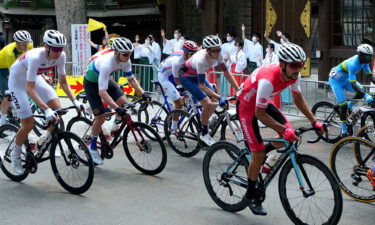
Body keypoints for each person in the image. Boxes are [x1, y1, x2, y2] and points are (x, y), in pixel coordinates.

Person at [237, 43, 325, 215]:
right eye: (294, 65)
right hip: (247, 106)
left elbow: (298, 100)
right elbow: (259, 114)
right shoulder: (268, 81)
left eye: (301, 65)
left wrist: (315, 121)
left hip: (262, 102)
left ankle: (262, 156)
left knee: (288, 136)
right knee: (259, 152)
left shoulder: (293, 75)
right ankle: (251, 196)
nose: (298, 69)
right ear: (283, 64)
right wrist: (283, 130)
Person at [9, 30, 84, 175]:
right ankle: (16, 155)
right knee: (28, 124)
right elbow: (29, 89)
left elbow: (63, 82)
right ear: (46, 46)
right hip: (18, 82)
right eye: (55, 49)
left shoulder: (61, 55)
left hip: (34, 78)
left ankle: (45, 141)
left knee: (58, 111)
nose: (58, 52)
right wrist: (45, 109)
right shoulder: (35, 57)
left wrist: (75, 101)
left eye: (61, 49)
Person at [83, 37, 151, 165]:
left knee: (124, 104)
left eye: (130, 54)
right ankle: (92, 148)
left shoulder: (126, 59)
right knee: (101, 117)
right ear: (116, 52)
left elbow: (131, 79)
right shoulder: (107, 63)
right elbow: (101, 92)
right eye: (125, 54)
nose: (128, 56)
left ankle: (114, 129)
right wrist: (115, 108)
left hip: (104, 79)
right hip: (91, 83)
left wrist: (143, 93)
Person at [180, 35, 239, 146]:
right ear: (207, 50)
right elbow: (201, 85)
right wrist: (219, 97)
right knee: (207, 102)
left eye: (219, 49)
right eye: (215, 50)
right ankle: (204, 132)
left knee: (214, 101)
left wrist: (239, 89)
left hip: (197, 76)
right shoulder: (201, 59)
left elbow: (226, 73)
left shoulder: (218, 55)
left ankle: (204, 120)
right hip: (186, 77)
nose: (218, 52)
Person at [328, 43, 374, 137]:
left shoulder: (365, 63)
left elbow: (371, 77)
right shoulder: (353, 64)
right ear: (360, 54)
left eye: (370, 56)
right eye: (367, 56)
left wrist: (364, 93)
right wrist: (366, 95)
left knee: (361, 90)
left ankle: (349, 108)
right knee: (343, 105)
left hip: (345, 80)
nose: (369, 59)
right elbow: (353, 84)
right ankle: (344, 131)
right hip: (336, 81)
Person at [157, 40, 199, 133]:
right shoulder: (177, 62)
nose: (194, 56)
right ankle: (174, 128)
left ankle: (174, 108)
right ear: (185, 53)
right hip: (165, 76)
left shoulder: (190, 59)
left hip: (174, 72)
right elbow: (177, 80)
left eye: (196, 53)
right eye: (192, 54)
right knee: (179, 103)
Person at [0, 30, 33, 126]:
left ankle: (15, 110)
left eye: (27, 42)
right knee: (8, 95)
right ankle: (2, 121)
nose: (26, 46)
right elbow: (12, 75)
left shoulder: (29, 45)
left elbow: (31, 62)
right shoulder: (9, 53)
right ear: (17, 43)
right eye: (24, 43)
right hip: (2, 69)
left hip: (16, 65)